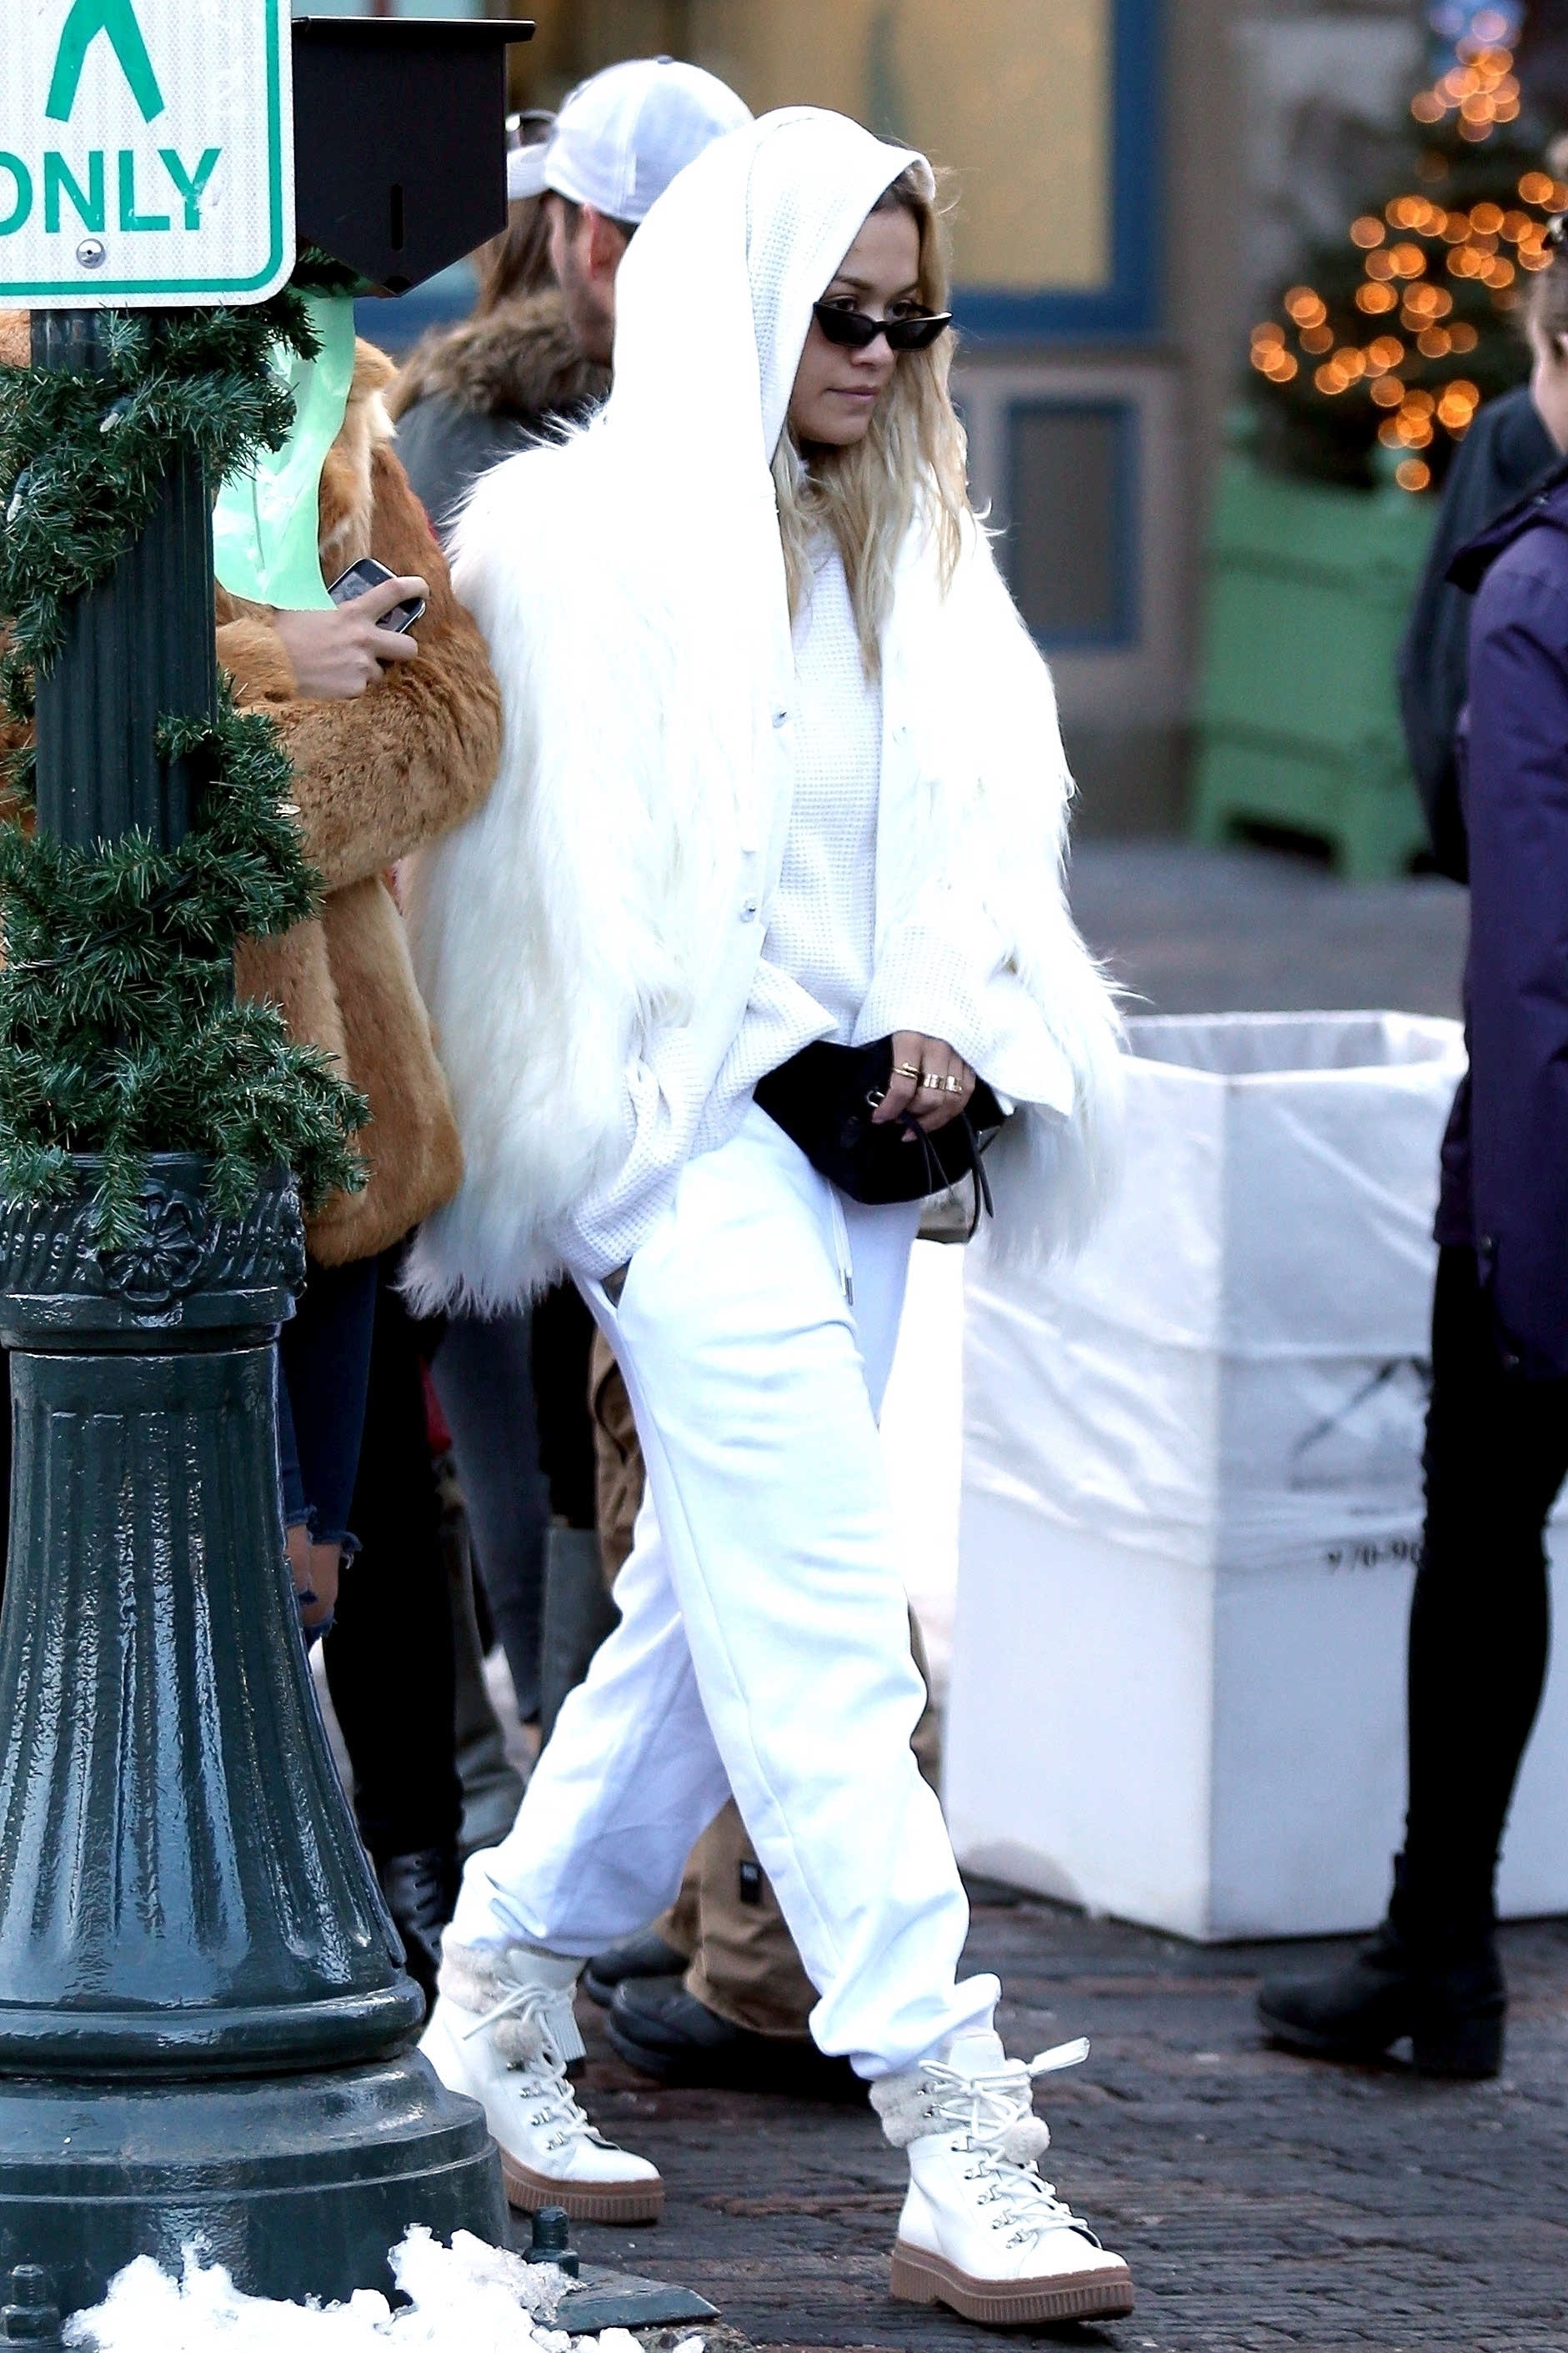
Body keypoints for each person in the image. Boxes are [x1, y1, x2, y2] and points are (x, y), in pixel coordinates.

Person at [406, 109, 1131, 2329]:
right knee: (824, 1617)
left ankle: (495, 1984)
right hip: (675, 1153)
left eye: (909, 317)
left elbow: (981, 841)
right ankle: (951, 2114)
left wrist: (954, 1028)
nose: (877, 352)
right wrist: (665, 1144)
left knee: (704, 1635)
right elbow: (536, 923)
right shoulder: (570, 544)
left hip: (851, 1158)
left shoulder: (907, 536)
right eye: (840, 309)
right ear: (736, 290)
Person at [1259, 229, 1568, 2081]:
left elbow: (1525, 938)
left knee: (1481, 1535)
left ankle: (1438, 1948)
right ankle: (1428, 1947)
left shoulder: (1533, 589)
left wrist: (1520, 1246)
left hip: (1542, 1169)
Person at [215, 335, 503, 1992]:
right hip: (88, 1102)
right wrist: (275, 664)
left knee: (320, 1552)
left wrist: (215, 796)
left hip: (338, 1102)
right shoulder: (41, 375)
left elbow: (451, 719)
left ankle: (380, 1884)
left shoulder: (331, 399)